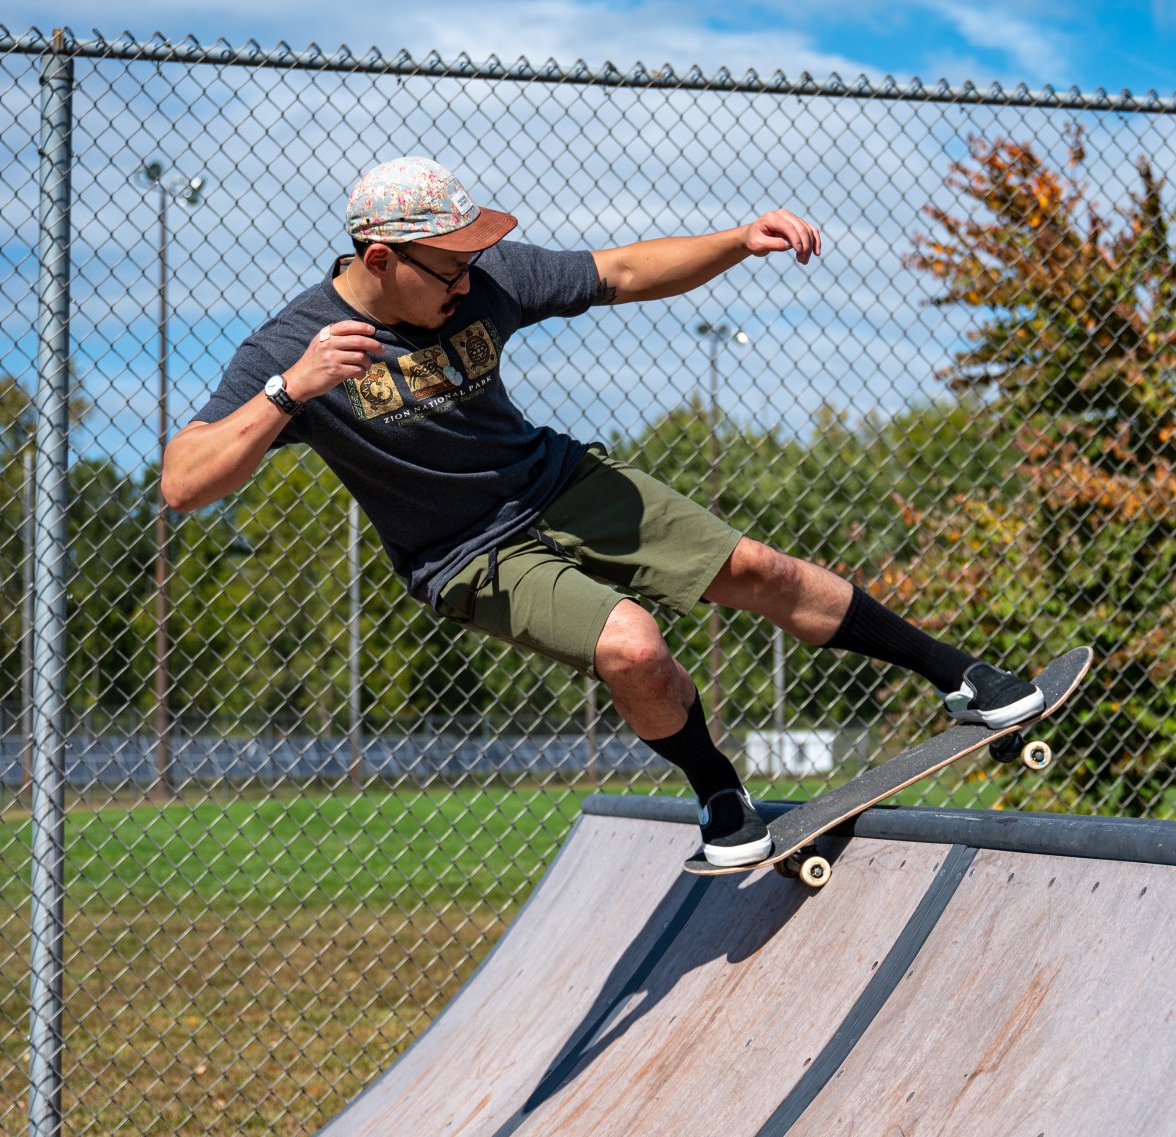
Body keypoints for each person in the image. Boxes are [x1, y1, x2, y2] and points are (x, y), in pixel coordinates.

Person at [162, 156, 1043, 866]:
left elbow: (619, 271)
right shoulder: (292, 347)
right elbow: (183, 482)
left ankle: (960, 678)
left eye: (471, 265)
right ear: (381, 260)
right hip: (469, 554)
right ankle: (717, 788)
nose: (467, 285)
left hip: (557, 483)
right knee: (634, 648)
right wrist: (290, 390)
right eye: (449, 270)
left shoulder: (485, 278)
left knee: (757, 568)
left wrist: (739, 241)